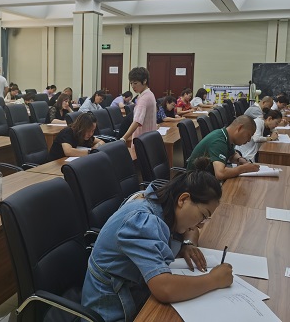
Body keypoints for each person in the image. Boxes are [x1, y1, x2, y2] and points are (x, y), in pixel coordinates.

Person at [81, 158, 232, 322]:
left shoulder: (163, 199)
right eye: (202, 215)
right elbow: (164, 288)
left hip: (136, 291)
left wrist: (187, 244)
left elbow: (192, 230)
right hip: (111, 308)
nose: (200, 225)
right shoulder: (141, 222)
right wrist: (214, 280)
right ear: (183, 199)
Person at [187, 115, 260, 181]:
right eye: (249, 135)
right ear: (240, 128)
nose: (249, 140)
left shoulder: (225, 135)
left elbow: (232, 154)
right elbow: (220, 174)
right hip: (196, 183)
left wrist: (240, 160)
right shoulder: (218, 141)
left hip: (206, 179)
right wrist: (244, 168)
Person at [120, 67, 157, 143]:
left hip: (141, 140)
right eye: (131, 83)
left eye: (135, 83)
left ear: (144, 81)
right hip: (149, 138)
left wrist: (124, 138)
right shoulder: (150, 94)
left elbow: (137, 121)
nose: (133, 86)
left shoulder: (144, 98)